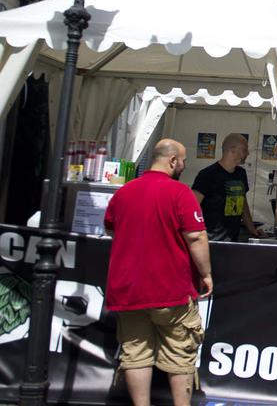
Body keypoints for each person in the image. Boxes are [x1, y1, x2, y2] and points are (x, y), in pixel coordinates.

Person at [104, 139, 212, 406]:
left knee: (135, 354)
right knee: (180, 355)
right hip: (170, 291)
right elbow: (196, 237)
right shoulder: (180, 193)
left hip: (128, 291)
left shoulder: (124, 192)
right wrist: (206, 274)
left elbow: (110, 228)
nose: (184, 166)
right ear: (173, 161)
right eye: (183, 161)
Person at [192, 133, 262, 242]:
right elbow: (192, 207)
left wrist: (252, 229)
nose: (247, 153)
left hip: (232, 241)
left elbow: (243, 203)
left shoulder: (241, 173)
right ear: (233, 150)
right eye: (244, 150)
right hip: (211, 241)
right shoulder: (207, 175)